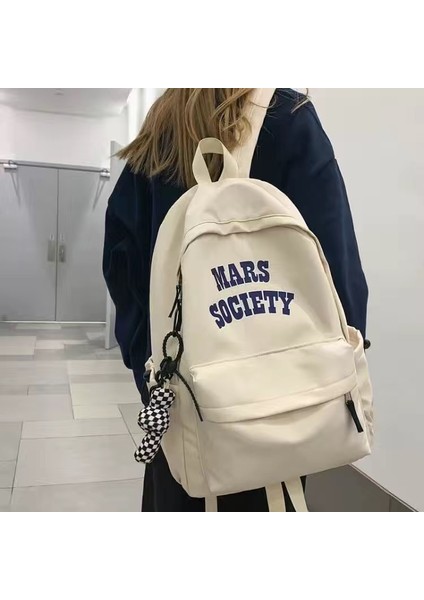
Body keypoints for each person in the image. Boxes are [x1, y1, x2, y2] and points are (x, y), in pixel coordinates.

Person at [103, 88, 368, 512]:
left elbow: (122, 272)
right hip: (281, 413)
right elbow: (339, 278)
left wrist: (158, 381)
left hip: (182, 414)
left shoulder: (157, 132)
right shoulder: (288, 118)